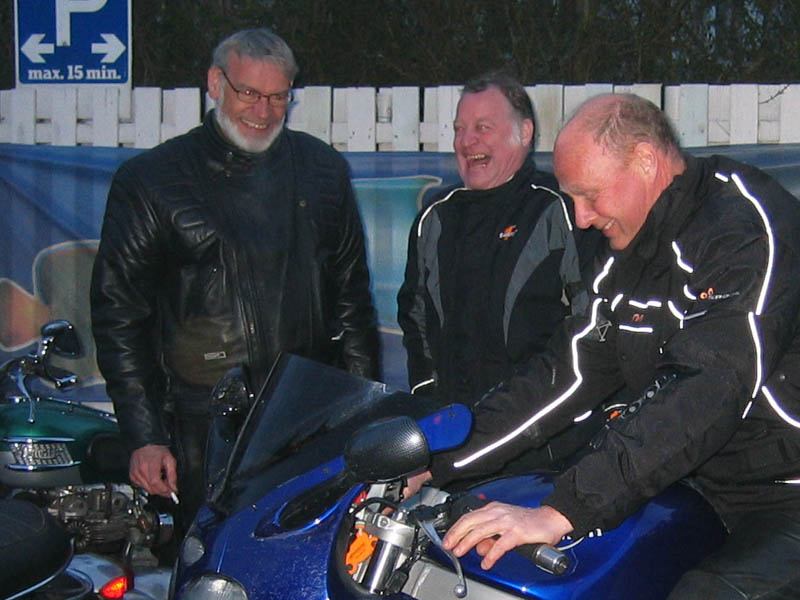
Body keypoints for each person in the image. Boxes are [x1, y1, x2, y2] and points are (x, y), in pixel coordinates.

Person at [410, 93, 800, 598]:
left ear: (645, 160)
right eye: (571, 198)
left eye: (589, 195)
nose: (581, 218)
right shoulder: (622, 251)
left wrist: (565, 510)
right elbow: (566, 373)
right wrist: (437, 459)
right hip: (690, 481)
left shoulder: (742, 226)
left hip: (785, 491)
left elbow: (709, 386)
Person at [90, 28, 379, 529]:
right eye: (249, 92)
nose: (263, 111)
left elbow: (351, 303)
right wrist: (145, 435)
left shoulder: (323, 171)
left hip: (310, 421)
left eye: (278, 96)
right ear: (215, 83)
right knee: (210, 559)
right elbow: (120, 316)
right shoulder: (152, 180)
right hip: (203, 431)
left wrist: (365, 418)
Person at [397, 71, 602, 473]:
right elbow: (414, 318)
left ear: (524, 133)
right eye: (460, 129)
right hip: (455, 445)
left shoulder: (561, 210)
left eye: (482, 127)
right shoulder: (434, 218)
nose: (467, 141)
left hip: (542, 450)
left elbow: (590, 327)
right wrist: (429, 403)